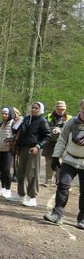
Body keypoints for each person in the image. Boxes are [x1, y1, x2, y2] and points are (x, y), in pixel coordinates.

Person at [44, 98, 84, 229]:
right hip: (70, 160)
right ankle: (57, 214)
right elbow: (61, 140)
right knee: (63, 186)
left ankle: (82, 218)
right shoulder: (71, 122)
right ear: (81, 108)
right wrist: (56, 156)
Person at [14, 101, 51, 207]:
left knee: (32, 173)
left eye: (36, 108)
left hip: (34, 149)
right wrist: (17, 146)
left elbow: (47, 136)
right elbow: (19, 133)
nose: (34, 109)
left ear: (41, 110)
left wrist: (38, 146)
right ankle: (21, 194)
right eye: (33, 107)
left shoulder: (42, 121)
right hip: (23, 149)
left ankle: (32, 197)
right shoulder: (25, 119)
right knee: (20, 172)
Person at [43, 101, 69, 186]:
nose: (60, 110)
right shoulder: (48, 117)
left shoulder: (69, 118)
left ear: (65, 109)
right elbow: (43, 128)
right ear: (56, 108)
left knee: (61, 162)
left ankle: (59, 181)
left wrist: (60, 130)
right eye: (59, 108)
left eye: (62, 109)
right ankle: (48, 180)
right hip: (50, 142)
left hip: (63, 143)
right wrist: (52, 129)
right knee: (49, 162)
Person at [0, 107, 17, 199]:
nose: (4, 115)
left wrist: (4, 141)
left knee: (7, 169)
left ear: (10, 114)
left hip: (9, 151)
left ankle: (8, 190)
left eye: (6, 114)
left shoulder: (14, 124)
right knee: (1, 169)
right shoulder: (0, 124)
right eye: (3, 113)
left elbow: (14, 137)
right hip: (0, 149)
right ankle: (3, 187)